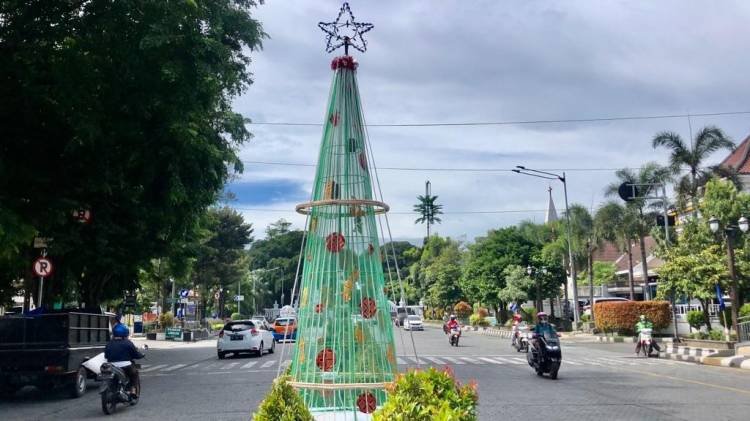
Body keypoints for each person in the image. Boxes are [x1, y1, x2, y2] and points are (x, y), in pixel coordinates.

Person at [105, 324, 144, 396]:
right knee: (134, 374)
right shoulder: (128, 343)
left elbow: (106, 356)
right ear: (125, 333)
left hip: (112, 366)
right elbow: (135, 354)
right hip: (126, 366)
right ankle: (133, 390)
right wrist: (141, 355)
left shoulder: (109, 343)